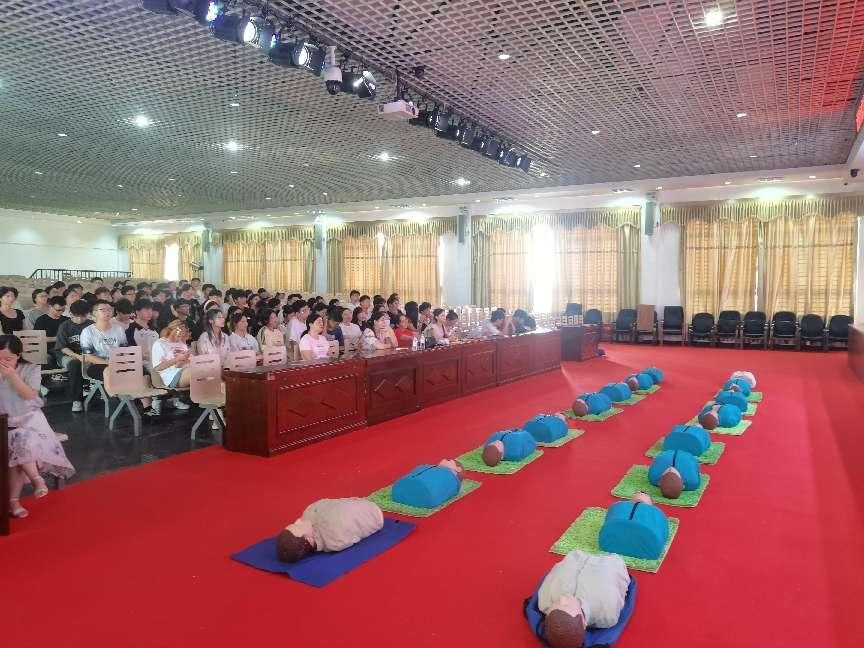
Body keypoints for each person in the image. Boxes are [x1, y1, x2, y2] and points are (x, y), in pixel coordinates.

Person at [1, 335, 76, 519]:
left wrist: (12, 376)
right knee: (17, 440)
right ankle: (34, 481)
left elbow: (29, 395)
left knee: (20, 440)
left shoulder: (31, 369)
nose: (2, 362)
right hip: (4, 423)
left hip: (30, 420)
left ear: (18, 355)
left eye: (8, 358)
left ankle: (14, 501)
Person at [537, 550, 631, 647]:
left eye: (556, 603)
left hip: (576, 555)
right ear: (583, 621)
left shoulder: (545, 602)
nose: (562, 599)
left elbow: (557, 571)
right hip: (608, 559)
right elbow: (621, 582)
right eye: (566, 605)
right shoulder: (607, 613)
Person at [275, 498, 384, 563]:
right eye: (297, 525)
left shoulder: (309, 515)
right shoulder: (335, 539)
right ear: (308, 539)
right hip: (374, 512)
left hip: (360, 504)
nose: (298, 521)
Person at [54, 300, 91, 412]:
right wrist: (77, 356)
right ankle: (77, 400)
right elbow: (62, 348)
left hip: (86, 355)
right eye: (77, 316)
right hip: (66, 355)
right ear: (71, 314)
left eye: (83, 316)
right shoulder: (65, 326)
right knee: (75, 364)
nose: (80, 319)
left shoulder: (91, 325)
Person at [150, 320, 192, 413]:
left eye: (183, 336)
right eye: (180, 335)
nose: (180, 338)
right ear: (175, 331)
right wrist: (177, 359)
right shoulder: (160, 343)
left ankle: (214, 406)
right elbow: (157, 367)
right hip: (172, 376)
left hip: (184, 369)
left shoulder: (181, 343)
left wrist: (188, 359)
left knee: (208, 371)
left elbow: (180, 363)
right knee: (198, 372)